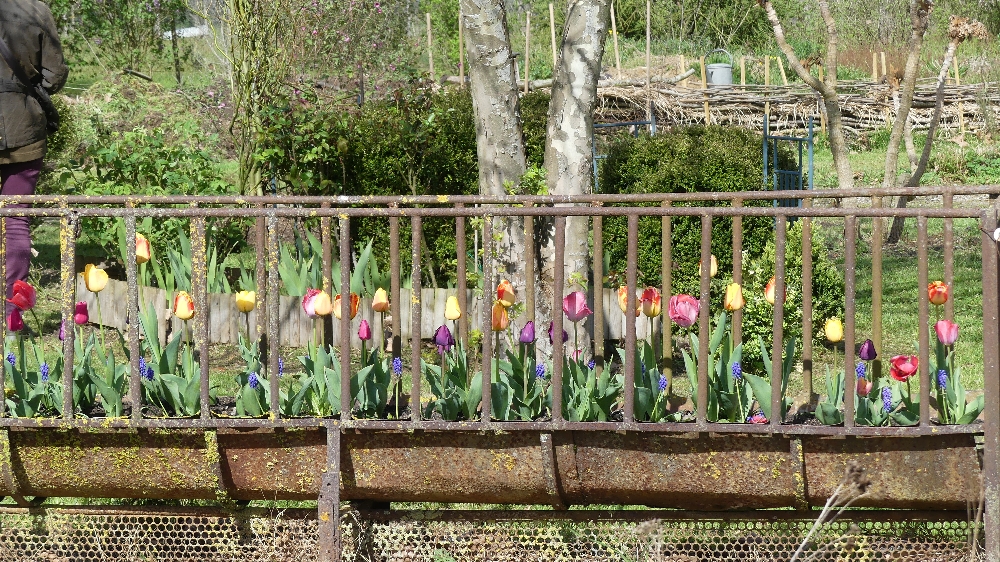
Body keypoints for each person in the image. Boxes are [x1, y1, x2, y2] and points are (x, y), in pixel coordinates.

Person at [0, 0, 67, 318]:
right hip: (23, 126)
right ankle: (12, 315)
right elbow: (54, 76)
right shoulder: (36, 10)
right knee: (15, 222)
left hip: (22, 127)